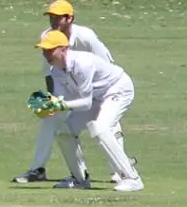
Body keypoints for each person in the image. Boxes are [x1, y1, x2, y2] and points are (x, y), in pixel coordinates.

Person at [14, 0, 114, 185]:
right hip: (67, 89)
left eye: (58, 17)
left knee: (107, 124)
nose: (54, 21)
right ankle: (38, 170)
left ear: (70, 18)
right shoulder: (48, 38)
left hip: (98, 89)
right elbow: (49, 73)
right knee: (50, 120)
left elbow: (107, 65)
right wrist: (52, 102)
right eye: (51, 17)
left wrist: (103, 95)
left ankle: (117, 173)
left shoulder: (86, 37)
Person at [38, 30, 143, 191]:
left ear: (64, 49)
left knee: (100, 128)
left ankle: (132, 178)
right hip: (96, 96)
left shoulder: (82, 64)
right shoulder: (56, 71)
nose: (46, 54)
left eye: (50, 50)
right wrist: (48, 107)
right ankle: (80, 179)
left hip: (117, 89)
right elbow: (60, 98)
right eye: (44, 50)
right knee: (64, 130)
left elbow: (85, 103)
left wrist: (61, 105)